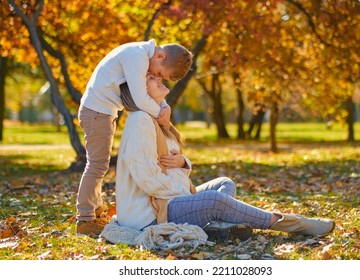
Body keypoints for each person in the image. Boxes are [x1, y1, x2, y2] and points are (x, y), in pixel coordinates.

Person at [114, 76, 335, 241]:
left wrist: (183, 161)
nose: (159, 77)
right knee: (214, 200)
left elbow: (170, 163)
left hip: (169, 199)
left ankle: (217, 224)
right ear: (139, 92)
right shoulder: (140, 121)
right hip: (150, 214)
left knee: (224, 183)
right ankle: (289, 223)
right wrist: (187, 196)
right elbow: (147, 179)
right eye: (151, 78)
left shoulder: (155, 120)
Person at [76, 39, 193, 237]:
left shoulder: (144, 57)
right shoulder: (136, 56)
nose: (156, 77)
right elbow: (140, 98)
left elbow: (146, 90)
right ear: (161, 56)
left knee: (100, 164)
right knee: (96, 165)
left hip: (104, 111)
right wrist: (160, 113)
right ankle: (85, 219)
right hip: (96, 111)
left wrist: (164, 107)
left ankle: (96, 209)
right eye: (159, 74)